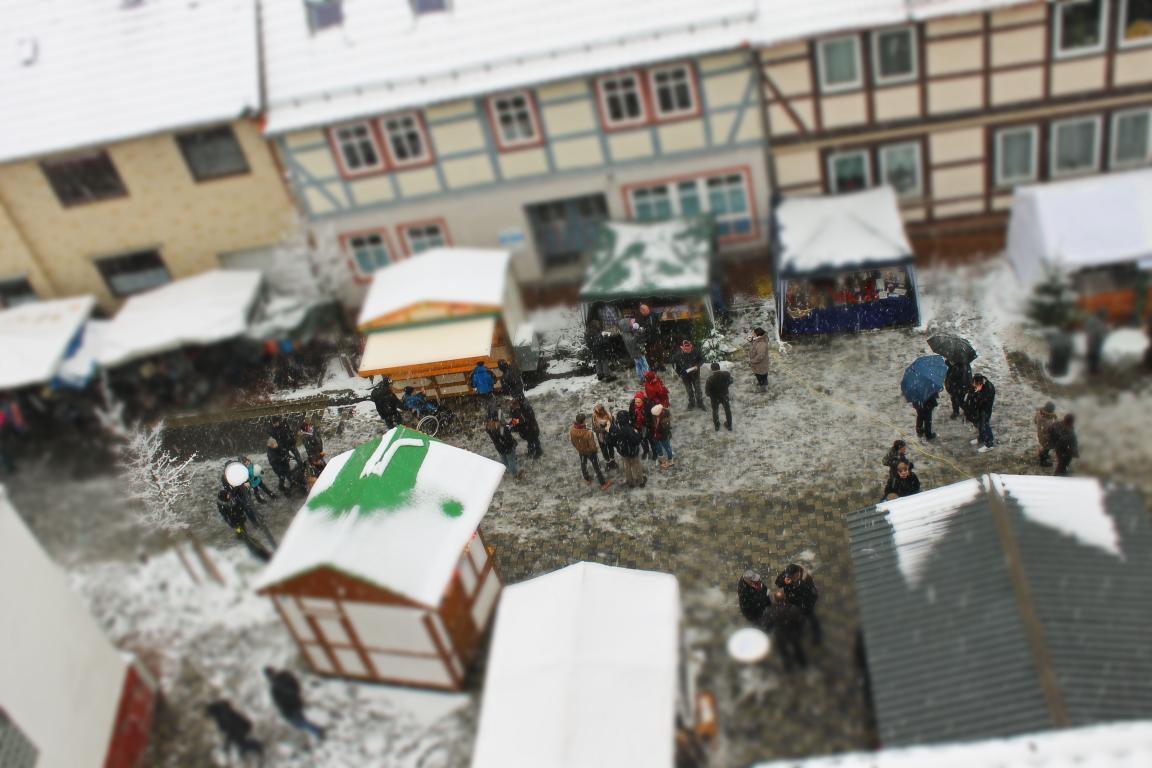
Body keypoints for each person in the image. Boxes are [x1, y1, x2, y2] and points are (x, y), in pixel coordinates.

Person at [264, 667, 326, 741]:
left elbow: (279, 703)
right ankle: (317, 732)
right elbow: (296, 685)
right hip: (297, 702)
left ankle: (318, 731)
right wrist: (296, 695)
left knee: (300, 723)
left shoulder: (274, 687)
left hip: (289, 709)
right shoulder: (285, 676)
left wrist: (285, 712)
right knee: (302, 720)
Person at [775, 563, 822, 646]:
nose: (788, 578)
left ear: (797, 574)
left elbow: (813, 595)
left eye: (790, 577)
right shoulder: (787, 574)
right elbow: (778, 583)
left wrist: (798, 585)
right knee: (797, 619)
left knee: (812, 618)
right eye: (787, 576)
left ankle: (817, 636)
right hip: (792, 603)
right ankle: (799, 631)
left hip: (805, 605)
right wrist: (784, 581)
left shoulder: (806, 579)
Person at [761, 590, 807, 672]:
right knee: (797, 647)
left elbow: (766, 624)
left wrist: (770, 630)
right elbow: (801, 621)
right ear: (785, 598)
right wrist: (800, 631)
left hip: (780, 634)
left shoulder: (771, 611)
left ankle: (788, 666)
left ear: (775, 600)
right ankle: (802, 663)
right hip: (793, 633)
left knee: (783, 650)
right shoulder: (793, 609)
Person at [569, 413, 611, 490]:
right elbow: (592, 446)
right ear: (583, 421)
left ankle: (587, 478)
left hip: (581, 451)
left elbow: (573, 442)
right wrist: (595, 450)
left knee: (583, 464)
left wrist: (579, 448)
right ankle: (603, 483)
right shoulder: (588, 433)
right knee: (597, 467)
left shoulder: (572, 430)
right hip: (590, 452)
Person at [612, 409, 647, 488]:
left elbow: (615, 440)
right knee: (636, 466)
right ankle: (641, 481)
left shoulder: (618, 429)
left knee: (627, 467)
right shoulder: (629, 430)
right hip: (632, 452)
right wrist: (639, 434)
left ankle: (630, 482)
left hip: (623, 452)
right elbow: (636, 441)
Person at [673, 339, 706, 411]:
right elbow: (674, 365)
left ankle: (700, 402)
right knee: (689, 390)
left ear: (691, 347)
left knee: (698, 389)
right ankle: (691, 402)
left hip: (695, 373)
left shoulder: (696, 351)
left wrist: (697, 366)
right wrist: (680, 373)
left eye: (689, 349)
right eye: (686, 349)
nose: (688, 350)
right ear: (683, 348)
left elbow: (703, 359)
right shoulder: (678, 355)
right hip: (685, 375)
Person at [966, 373, 996, 452]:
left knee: (985, 424)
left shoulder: (989, 388)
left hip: (985, 409)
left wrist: (977, 394)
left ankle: (989, 444)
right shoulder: (977, 385)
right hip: (979, 409)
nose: (975, 386)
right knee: (979, 424)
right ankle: (981, 438)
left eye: (976, 385)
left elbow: (983, 401)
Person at [486, 412, 519, 478]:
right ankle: (515, 475)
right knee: (510, 461)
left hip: (500, 448)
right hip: (508, 448)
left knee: (504, 462)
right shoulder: (502, 429)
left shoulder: (489, 429)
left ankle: (507, 470)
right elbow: (510, 427)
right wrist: (515, 420)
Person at [618, 316, 650, 384]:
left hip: (636, 351)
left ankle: (642, 378)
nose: (632, 324)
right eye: (630, 323)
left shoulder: (627, 332)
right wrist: (638, 334)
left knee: (639, 365)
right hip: (636, 352)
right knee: (644, 365)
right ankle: (646, 377)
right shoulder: (626, 334)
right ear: (626, 325)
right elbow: (632, 342)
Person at [705, 361, 733, 432]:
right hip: (725, 395)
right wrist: (726, 386)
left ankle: (717, 426)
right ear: (719, 368)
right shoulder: (726, 374)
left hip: (715, 398)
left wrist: (711, 394)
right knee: (727, 410)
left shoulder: (710, 379)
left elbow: (707, 392)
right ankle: (729, 425)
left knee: (715, 411)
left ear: (712, 370)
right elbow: (731, 381)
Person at [590, 404, 618, 471]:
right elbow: (594, 429)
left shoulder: (609, 415)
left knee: (611, 448)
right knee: (604, 450)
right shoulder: (594, 418)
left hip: (610, 435)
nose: (601, 412)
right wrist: (603, 430)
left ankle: (613, 461)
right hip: (601, 437)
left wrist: (609, 428)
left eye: (602, 410)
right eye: (599, 411)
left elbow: (614, 425)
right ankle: (608, 463)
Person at [629, 392, 655, 461]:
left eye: (639, 402)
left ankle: (654, 452)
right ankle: (646, 451)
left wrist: (648, 425)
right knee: (642, 440)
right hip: (638, 426)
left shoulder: (648, 405)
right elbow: (631, 415)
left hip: (648, 425)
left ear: (642, 401)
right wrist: (633, 425)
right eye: (636, 402)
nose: (637, 404)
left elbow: (652, 418)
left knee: (651, 439)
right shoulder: (632, 405)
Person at [1084, 308, 1109, 376]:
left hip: (1095, 339)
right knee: (1094, 354)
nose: (1105, 316)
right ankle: (1093, 370)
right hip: (1094, 339)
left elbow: (1103, 329)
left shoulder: (1096, 320)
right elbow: (1101, 329)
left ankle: (1093, 369)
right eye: (1104, 315)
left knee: (1094, 354)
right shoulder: (1096, 321)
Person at [649, 403, 675, 469]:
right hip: (657, 435)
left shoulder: (665, 420)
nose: (654, 416)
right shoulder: (656, 416)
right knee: (658, 446)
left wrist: (658, 434)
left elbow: (665, 431)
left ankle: (670, 460)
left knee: (667, 447)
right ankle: (661, 458)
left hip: (663, 437)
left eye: (655, 415)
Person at [1034, 401, 1058, 467]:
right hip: (1047, 439)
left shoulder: (1039, 413)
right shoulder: (1048, 422)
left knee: (1045, 447)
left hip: (1041, 435)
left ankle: (1043, 454)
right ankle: (1043, 461)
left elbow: (1035, 421)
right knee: (1046, 448)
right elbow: (1052, 432)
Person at [748, 327, 770, 392]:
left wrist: (752, 361)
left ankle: (763, 389)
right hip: (760, 364)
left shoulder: (761, 343)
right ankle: (763, 383)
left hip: (760, 365)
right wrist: (752, 341)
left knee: (760, 376)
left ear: (758, 334)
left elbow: (760, 356)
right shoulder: (758, 340)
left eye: (753, 333)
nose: (752, 334)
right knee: (762, 376)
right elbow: (755, 346)